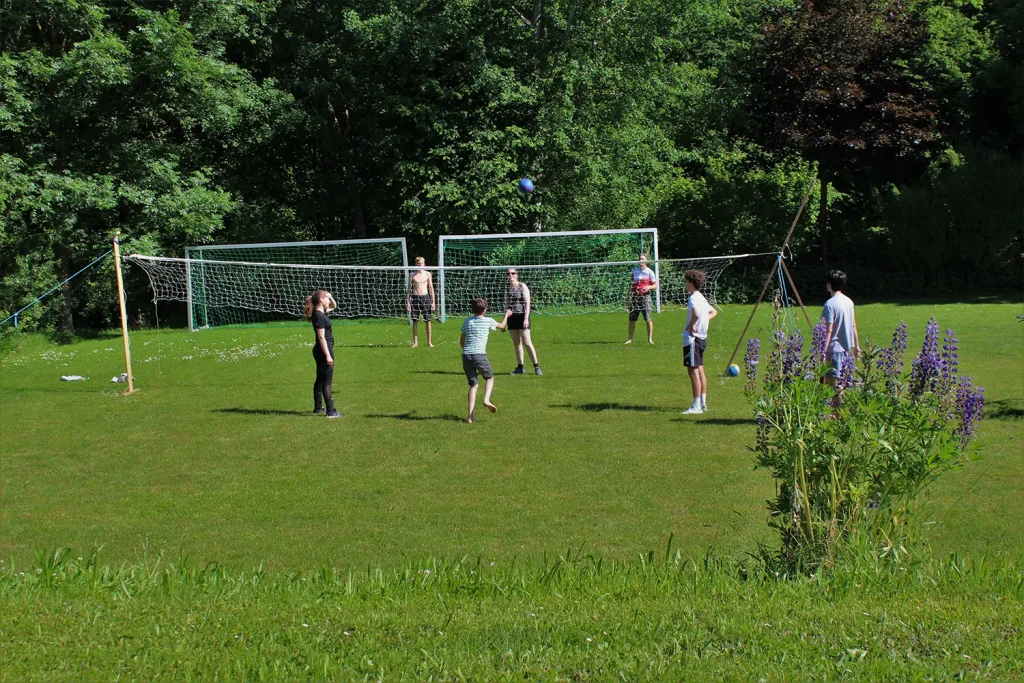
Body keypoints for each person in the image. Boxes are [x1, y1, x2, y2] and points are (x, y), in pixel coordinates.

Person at [460, 298, 507, 423]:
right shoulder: (488, 321)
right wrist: (507, 315)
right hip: (479, 355)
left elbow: (462, 341)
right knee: (490, 378)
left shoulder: (467, 322)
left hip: (466, 355)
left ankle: (470, 417)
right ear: (485, 309)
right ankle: (486, 399)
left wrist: (467, 351)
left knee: (473, 385)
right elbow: (502, 326)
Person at [680, 270, 718, 415]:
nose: (685, 284)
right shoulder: (701, 297)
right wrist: (703, 321)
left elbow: (696, 314)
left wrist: (691, 326)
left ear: (690, 283)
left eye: (686, 282)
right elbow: (713, 312)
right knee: (700, 369)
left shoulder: (693, 298)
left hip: (693, 339)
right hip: (702, 338)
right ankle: (703, 403)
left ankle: (696, 406)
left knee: (692, 371)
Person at [822, 269, 861, 394]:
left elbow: (828, 330)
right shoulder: (848, 301)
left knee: (832, 386)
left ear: (829, 284)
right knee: (842, 384)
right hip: (847, 348)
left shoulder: (829, 305)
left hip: (833, 350)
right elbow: (854, 325)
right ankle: (838, 412)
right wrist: (856, 346)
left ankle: (836, 413)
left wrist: (822, 350)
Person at [304, 290, 342, 418]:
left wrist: (330, 297)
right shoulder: (319, 316)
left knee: (320, 379)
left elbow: (333, 306)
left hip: (321, 350)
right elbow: (321, 337)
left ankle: (318, 408)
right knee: (327, 381)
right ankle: (331, 411)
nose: (328, 301)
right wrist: (327, 355)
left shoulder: (320, 312)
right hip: (323, 350)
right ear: (321, 300)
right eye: (326, 298)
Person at [502, 268, 542, 375]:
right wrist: (504, 321)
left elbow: (528, 303)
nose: (510, 275)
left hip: (522, 316)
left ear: (517, 275)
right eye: (508, 274)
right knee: (517, 343)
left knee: (527, 342)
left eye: (513, 273)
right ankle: (520, 367)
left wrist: (525, 319)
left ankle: (536, 367)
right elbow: (506, 305)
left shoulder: (522, 286)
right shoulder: (508, 289)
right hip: (511, 318)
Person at [626, 253, 657, 344]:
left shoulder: (649, 272)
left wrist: (648, 287)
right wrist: (628, 297)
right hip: (635, 297)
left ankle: (650, 339)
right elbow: (631, 285)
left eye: (642, 259)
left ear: (646, 261)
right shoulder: (634, 271)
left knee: (648, 318)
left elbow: (655, 285)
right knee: (632, 319)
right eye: (639, 258)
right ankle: (630, 338)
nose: (640, 260)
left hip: (645, 297)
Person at [406, 256, 435, 348]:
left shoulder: (427, 274)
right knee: (415, 321)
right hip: (415, 298)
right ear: (415, 264)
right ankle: (415, 342)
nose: (420, 265)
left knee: (428, 320)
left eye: (421, 263)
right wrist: (408, 302)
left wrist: (433, 301)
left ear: (424, 264)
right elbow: (409, 289)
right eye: (418, 263)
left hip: (425, 298)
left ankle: (429, 342)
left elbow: (431, 288)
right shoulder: (412, 275)